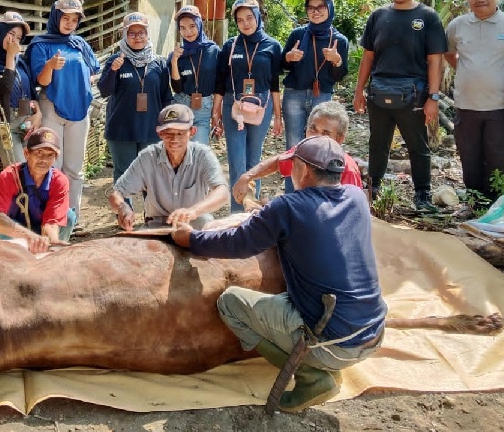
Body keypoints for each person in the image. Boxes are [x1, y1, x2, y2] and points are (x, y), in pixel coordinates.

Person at [173, 136, 386, 413]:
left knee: (230, 303)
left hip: (335, 344)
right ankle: (317, 364)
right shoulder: (357, 197)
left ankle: (312, 377)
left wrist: (191, 240)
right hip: (374, 333)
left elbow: (238, 242)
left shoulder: (288, 207)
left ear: (304, 170)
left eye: (292, 165)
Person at [353, 0, 447, 212]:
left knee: (417, 146)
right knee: (378, 144)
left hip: (414, 95)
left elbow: (435, 60)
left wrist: (433, 97)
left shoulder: (428, 17)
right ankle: (373, 190)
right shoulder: (378, 16)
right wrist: (358, 91)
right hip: (378, 92)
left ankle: (422, 195)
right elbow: (368, 57)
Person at [444, 0, 504, 205]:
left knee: (501, 157)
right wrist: (468, 71)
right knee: (470, 158)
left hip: (502, 108)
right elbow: (449, 53)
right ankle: (474, 203)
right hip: (466, 106)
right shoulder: (457, 25)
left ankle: (496, 206)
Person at [27, 0, 100, 215]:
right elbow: (41, 81)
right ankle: (52, 216)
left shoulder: (80, 44)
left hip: (79, 110)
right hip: (52, 107)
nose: (69, 23)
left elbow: (95, 71)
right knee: (52, 164)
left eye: (74, 19)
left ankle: (72, 217)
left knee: (75, 168)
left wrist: (85, 80)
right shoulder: (40, 44)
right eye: (65, 18)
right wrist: (49, 66)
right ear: (55, 17)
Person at [212, 0, 283, 212]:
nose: (245, 23)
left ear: (258, 17)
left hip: (261, 106)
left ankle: (252, 212)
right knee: (236, 159)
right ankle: (236, 211)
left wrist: (278, 116)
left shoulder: (272, 46)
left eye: (249, 18)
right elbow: (220, 81)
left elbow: (274, 84)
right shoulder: (230, 46)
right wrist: (216, 111)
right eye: (240, 20)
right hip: (234, 106)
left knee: (254, 159)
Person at [110, 104, 229, 231]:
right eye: (168, 133)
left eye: (180, 133)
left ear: (192, 132)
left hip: (195, 224)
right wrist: (123, 207)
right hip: (157, 226)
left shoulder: (203, 155)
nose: (174, 139)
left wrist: (194, 211)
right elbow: (117, 194)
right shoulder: (147, 157)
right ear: (159, 133)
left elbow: (222, 191)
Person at [231, 100, 362, 205]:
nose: (315, 137)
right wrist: (246, 177)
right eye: (313, 129)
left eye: (325, 133)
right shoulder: (303, 152)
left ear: (339, 139)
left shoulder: (348, 169)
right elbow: (278, 162)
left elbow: (349, 214)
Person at [281, 0, 348, 190]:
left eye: (320, 7)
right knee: (294, 146)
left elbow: (340, 75)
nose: (315, 11)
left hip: (323, 97)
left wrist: (336, 61)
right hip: (294, 95)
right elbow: (282, 66)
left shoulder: (339, 40)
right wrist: (288, 58)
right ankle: (292, 195)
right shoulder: (297, 34)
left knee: (321, 146)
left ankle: (317, 194)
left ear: (330, 9)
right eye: (310, 7)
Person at [98, 12, 173, 181]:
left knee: (151, 178)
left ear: (147, 34)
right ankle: (124, 208)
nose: (137, 37)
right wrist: (113, 71)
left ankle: (151, 209)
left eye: (141, 32)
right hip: (121, 131)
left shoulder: (158, 63)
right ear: (125, 35)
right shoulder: (115, 60)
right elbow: (104, 91)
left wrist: (166, 125)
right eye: (132, 33)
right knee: (124, 177)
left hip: (151, 131)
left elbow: (166, 97)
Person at [0, 127, 76, 252]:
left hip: (42, 231)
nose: (43, 160)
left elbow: (51, 222)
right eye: (39, 153)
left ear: (55, 158)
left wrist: (51, 244)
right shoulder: (9, 175)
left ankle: (51, 256)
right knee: (2, 230)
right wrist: (29, 237)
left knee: (69, 217)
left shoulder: (59, 181)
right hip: (14, 231)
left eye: (50, 155)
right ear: (26, 154)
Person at [0, 11, 40, 164]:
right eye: (11, 34)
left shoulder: (20, 61)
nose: (14, 40)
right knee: (18, 175)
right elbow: (3, 92)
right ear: (0, 32)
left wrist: (38, 114)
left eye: (18, 38)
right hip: (6, 125)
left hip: (28, 122)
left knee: (34, 172)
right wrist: (9, 58)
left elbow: (31, 91)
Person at [167, 5, 219, 144]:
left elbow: (220, 83)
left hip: (204, 106)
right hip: (181, 104)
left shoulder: (213, 51)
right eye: (182, 28)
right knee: (179, 151)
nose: (188, 32)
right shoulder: (177, 55)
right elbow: (177, 88)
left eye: (192, 26)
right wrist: (174, 62)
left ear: (199, 24)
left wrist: (216, 112)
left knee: (199, 150)